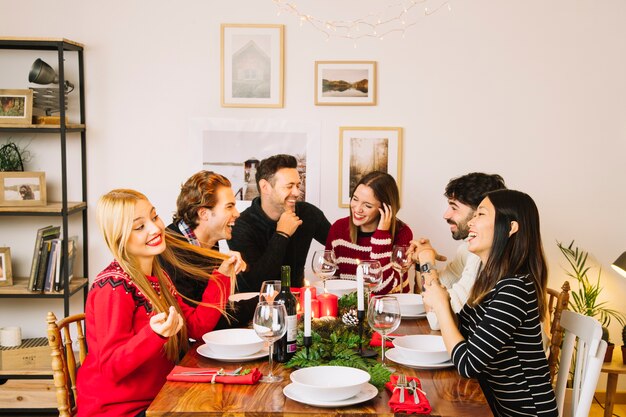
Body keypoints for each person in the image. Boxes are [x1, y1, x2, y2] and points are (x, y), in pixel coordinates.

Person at [77, 189, 239, 417]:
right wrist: (154, 335)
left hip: (161, 397)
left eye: (154, 217)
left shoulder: (158, 277)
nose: (156, 228)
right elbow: (111, 368)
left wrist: (222, 276)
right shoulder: (113, 287)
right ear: (119, 237)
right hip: (122, 410)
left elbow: (197, 326)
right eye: (139, 226)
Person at [418, 189, 558, 417]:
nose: (471, 222)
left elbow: (467, 364)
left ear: (511, 227)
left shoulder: (515, 289)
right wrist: (437, 292)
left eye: (480, 215)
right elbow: (460, 330)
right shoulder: (490, 278)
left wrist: (442, 304)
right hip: (496, 407)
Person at [161, 170, 255, 329]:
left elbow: (216, 304)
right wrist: (260, 304)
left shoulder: (208, 240)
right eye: (229, 206)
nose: (237, 214)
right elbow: (208, 321)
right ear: (204, 213)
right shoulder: (173, 252)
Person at [229, 154, 331, 290]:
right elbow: (255, 283)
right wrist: (282, 234)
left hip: (297, 303)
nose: (297, 192)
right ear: (265, 187)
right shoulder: (240, 225)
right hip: (255, 307)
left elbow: (340, 245)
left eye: (297, 185)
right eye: (289, 186)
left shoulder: (308, 213)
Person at [409, 172, 505, 311]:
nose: (446, 215)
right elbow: (429, 294)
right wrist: (421, 262)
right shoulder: (466, 248)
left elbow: (436, 314)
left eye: (454, 207)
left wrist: (427, 259)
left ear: (479, 211)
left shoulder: (485, 254)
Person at [325, 171, 413, 294]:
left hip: (391, 308)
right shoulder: (338, 228)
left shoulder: (403, 233)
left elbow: (383, 289)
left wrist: (382, 234)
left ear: (384, 208)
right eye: (355, 199)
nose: (357, 209)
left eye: (367, 205)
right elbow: (331, 283)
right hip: (349, 309)